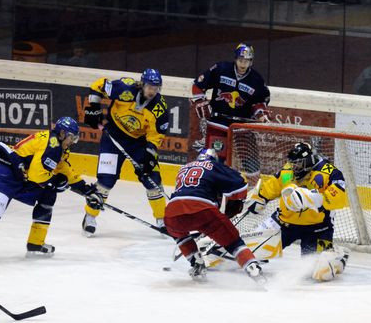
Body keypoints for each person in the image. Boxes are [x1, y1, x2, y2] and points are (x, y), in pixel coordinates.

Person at [0, 117, 103, 256]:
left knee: (47, 193)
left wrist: (84, 189)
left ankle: (35, 243)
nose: (73, 141)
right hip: (3, 174)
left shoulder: (58, 145)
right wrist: (55, 181)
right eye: (71, 137)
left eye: (75, 138)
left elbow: (62, 168)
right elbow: (37, 176)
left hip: (21, 177)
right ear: (62, 133)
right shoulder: (52, 145)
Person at [82, 68, 169, 236]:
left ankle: (162, 220)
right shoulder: (124, 88)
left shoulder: (159, 108)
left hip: (139, 143)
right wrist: (94, 106)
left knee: (152, 180)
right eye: (150, 86)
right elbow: (98, 85)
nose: (152, 91)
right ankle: (90, 216)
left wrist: (149, 155)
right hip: (112, 138)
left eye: (156, 88)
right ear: (142, 84)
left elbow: (155, 136)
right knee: (105, 182)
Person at [245, 142, 349, 281]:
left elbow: (339, 199)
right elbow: (275, 184)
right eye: (293, 164)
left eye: (298, 164)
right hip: (283, 223)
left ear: (308, 161)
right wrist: (260, 197)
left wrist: (313, 198)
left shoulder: (330, 172)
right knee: (248, 254)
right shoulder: (288, 170)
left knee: (317, 272)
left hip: (317, 229)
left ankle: (338, 256)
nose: (294, 167)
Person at [164, 148, 265, 283]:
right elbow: (240, 184)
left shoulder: (184, 167)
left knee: (179, 235)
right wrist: (233, 208)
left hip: (171, 212)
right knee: (234, 243)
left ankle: (197, 265)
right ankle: (253, 268)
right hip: (203, 210)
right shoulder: (214, 165)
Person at [190, 43, 270, 162]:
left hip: (242, 126)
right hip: (218, 122)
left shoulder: (256, 80)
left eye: (246, 61)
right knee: (215, 160)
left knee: (250, 162)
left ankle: (252, 180)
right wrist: (201, 102)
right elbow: (198, 85)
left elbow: (260, 101)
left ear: (251, 62)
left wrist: (260, 113)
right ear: (235, 59)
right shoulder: (221, 69)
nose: (243, 64)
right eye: (240, 60)